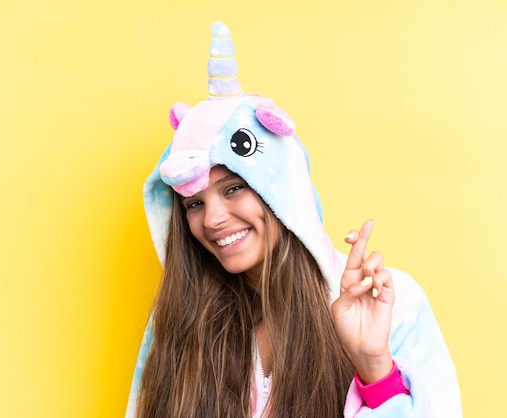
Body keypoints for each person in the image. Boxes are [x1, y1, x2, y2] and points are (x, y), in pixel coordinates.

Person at [126, 22, 462, 417]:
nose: (213, 219)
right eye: (193, 204)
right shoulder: (180, 319)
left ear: (282, 191)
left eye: (234, 188)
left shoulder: (391, 306)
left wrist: (375, 368)